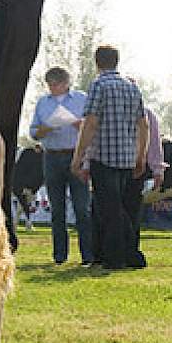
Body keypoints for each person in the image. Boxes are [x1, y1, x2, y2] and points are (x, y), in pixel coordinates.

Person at [71, 45, 148, 270]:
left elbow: (91, 123)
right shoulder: (132, 87)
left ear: (97, 62)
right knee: (113, 208)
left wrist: (79, 156)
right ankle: (104, 254)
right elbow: (143, 125)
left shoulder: (98, 85)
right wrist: (140, 155)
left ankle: (120, 256)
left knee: (110, 210)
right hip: (127, 157)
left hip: (104, 156)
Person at [29, 66, 93, 265]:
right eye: (49, 84)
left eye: (55, 84)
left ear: (66, 83)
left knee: (82, 207)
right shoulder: (42, 103)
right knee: (57, 210)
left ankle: (88, 254)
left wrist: (79, 125)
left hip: (76, 155)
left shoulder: (82, 99)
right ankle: (59, 255)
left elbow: (92, 125)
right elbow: (33, 132)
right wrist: (44, 129)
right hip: (52, 156)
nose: (52, 87)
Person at [123, 103, 165, 269]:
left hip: (136, 168)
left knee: (132, 211)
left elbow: (154, 143)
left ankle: (131, 251)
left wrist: (157, 169)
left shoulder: (147, 114)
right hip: (117, 165)